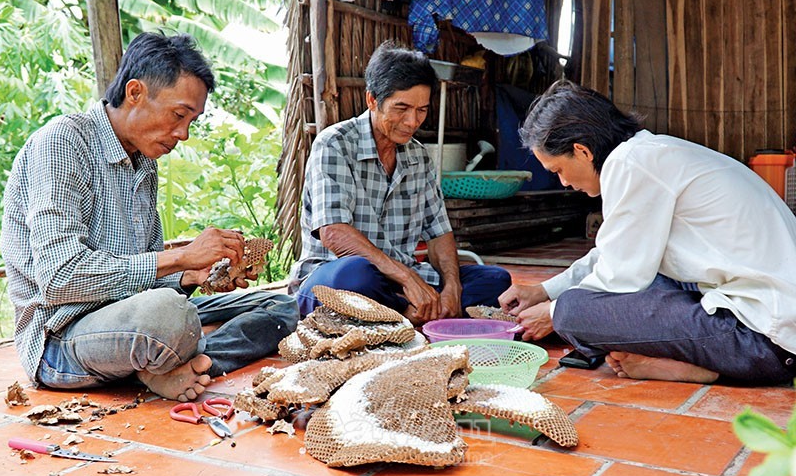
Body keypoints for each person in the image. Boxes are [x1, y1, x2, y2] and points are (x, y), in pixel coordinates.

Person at [1, 32, 298, 402]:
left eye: (192, 120)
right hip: (63, 338)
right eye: (178, 115)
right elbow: (60, 278)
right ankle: (170, 360)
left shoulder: (144, 160)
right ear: (135, 93)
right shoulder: (62, 142)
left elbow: (149, 279)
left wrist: (193, 274)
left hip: (133, 317)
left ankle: (179, 366)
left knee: (280, 306)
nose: (184, 134)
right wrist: (182, 256)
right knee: (169, 315)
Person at [498, 80, 796, 385]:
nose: (562, 183)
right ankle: (700, 366)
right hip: (769, 323)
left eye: (558, 170)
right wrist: (544, 292)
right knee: (638, 283)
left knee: (574, 312)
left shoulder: (632, 164)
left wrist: (554, 310)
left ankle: (712, 368)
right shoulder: (645, 154)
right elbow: (614, 254)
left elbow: (618, 276)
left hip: (765, 339)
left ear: (582, 151)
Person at [290, 40, 511, 323]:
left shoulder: (418, 155)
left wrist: (452, 288)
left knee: (495, 280)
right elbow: (333, 232)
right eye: (401, 108)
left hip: (397, 285)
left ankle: (402, 314)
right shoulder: (334, 144)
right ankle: (408, 311)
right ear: (372, 100)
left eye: (422, 110)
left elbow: (439, 232)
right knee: (354, 275)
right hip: (335, 279)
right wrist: (407, 277)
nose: (412, 121)